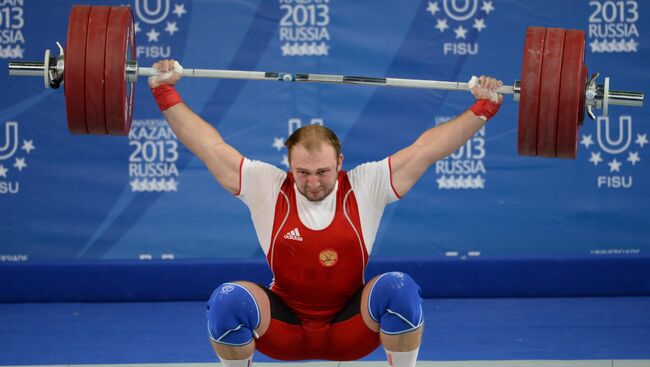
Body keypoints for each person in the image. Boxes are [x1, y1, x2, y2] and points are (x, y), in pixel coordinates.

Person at [148, 59, 503, 367]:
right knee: (227, 301)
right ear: (289, 166)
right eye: (302, 173)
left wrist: (482, 109)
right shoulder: (267, 186)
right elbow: (209, 146)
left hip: (351, 329)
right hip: (285, 329)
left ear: (340, 163)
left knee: (399, 289)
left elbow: (428, 149)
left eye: (323, 172)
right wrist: (165, 93)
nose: (313, 183)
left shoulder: (366, 184)